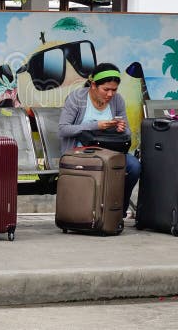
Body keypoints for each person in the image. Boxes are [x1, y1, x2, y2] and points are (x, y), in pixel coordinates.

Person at [58, 62, 141, 217]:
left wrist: (121, 129)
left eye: (114, 90)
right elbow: (63, 129)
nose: (110, 94)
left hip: (110, 152)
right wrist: (96, 125)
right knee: (104, 165)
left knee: (134, 167)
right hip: (80, 152)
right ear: (94, 85)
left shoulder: (118, 101)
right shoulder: (77, 98)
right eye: (106, 89)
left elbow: (128, 133)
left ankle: (117, 211)